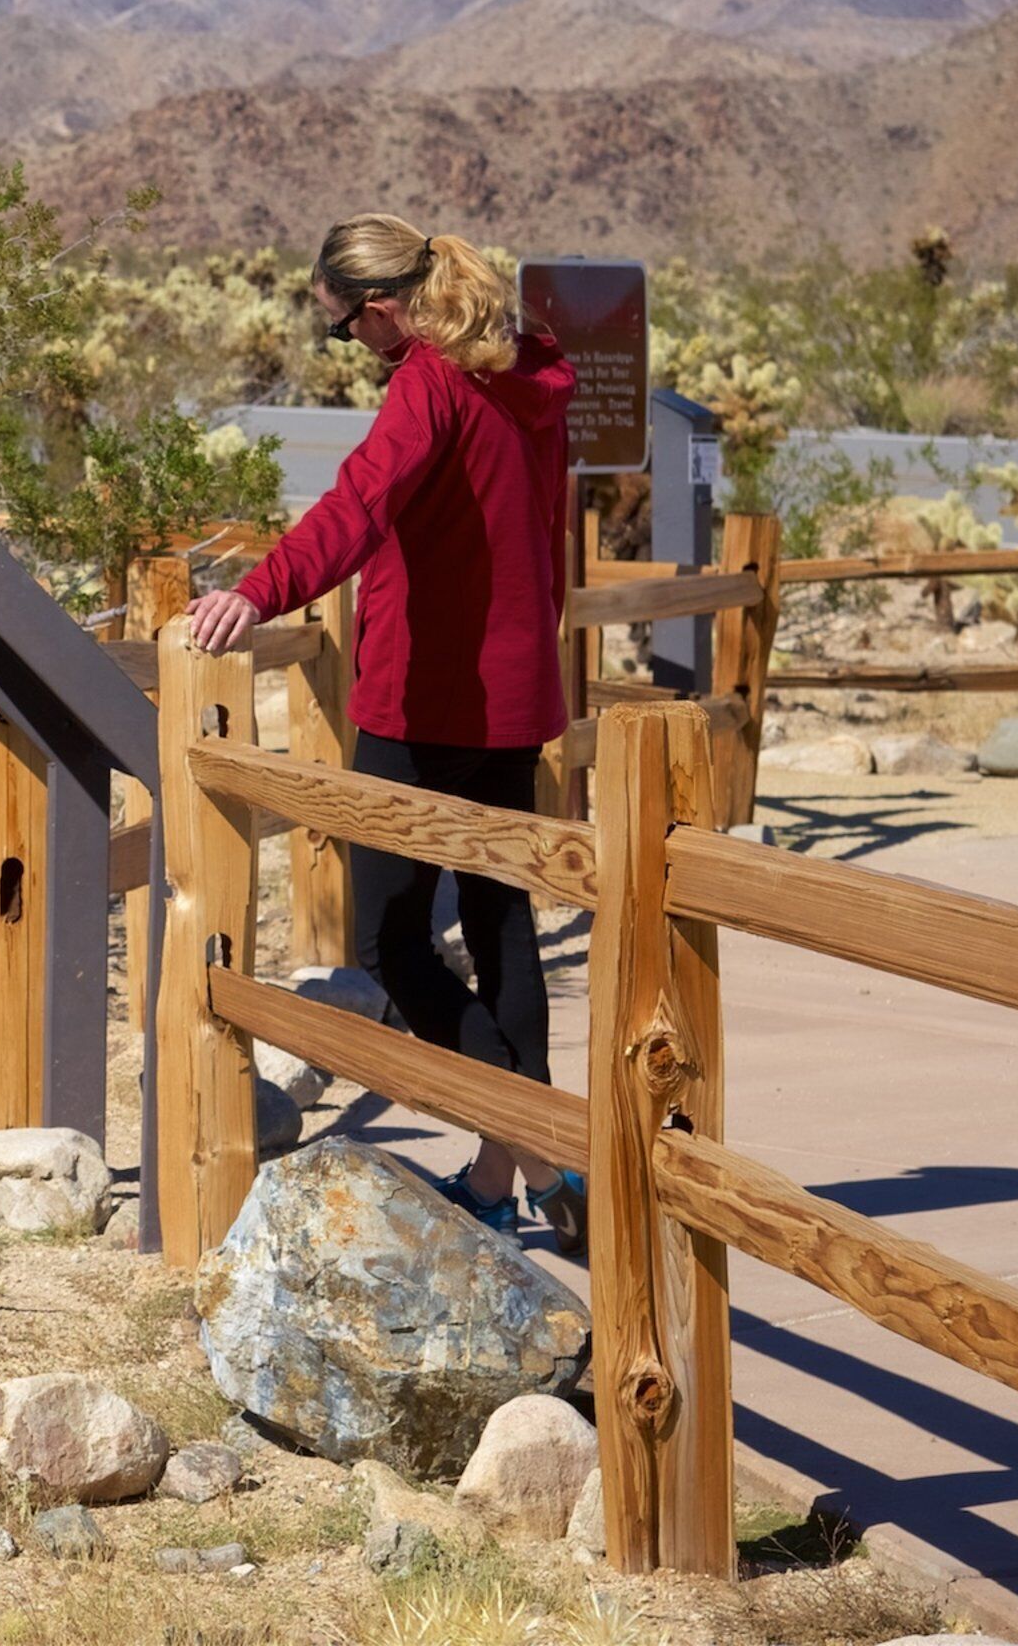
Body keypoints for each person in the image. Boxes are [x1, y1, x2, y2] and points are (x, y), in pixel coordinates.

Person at [179, 215, 586, 1258]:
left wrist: (260, 593)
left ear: (384, 307)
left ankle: (545, 1159)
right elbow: (549, 534)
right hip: (517, 695)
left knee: (389, 942)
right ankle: (507, 1175)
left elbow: (357, 506)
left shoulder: (430, 387)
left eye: (344, 324)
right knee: (500, 926)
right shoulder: (532, 368)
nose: (351, 345)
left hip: (421, 705)